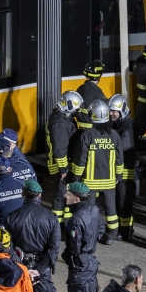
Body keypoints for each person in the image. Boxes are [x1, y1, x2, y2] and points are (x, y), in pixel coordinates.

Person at [5, 179, 61, 292]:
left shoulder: (11, 217)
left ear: (23, 194)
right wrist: (40, 269)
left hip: (19, 267)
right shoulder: (51, 218)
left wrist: (22, 266)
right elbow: (54, 248)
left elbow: (8, 248)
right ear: (40, 195)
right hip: (41, 267)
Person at [69, 100, 124, 244]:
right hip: (110, 181)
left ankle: (89, 235)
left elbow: (80, 159)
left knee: (89, 210)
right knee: (111, 210)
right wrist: (119, 176)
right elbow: (119, 158)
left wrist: (75, 178)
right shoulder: (114, 135)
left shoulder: (87, 135)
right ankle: (111, 236)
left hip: (90, 182)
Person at [63, 182, 102, 292]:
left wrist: (71, 255)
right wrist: (91, 242)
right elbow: (100, 228)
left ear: (77, 199)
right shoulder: (94, 209)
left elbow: (74, 247)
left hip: (80, 266)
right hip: (91, 262)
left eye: (69, 194)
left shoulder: (75, 220)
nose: (66, 196)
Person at [49, 91, 84, 225]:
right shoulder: (60, 123)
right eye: (75, 108)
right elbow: (60, 148)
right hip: (63, 165)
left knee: (66, 193)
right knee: (60, 195)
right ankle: (57, 224)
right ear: (68, 105)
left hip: (65, 163)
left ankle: (65, 222)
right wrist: (63, 169)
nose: (76, 111)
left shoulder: (62, 118)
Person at [108, 94, 139, 241]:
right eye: (110, 110)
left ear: (123, 110)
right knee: (118, 201)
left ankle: (126, 231)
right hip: (118, 169)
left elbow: (121, 146)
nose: (111, 113)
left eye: (115, 111)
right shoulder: (118, 123)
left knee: (123, 202)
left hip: (125, 170)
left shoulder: (128, 125)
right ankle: (122, 229)